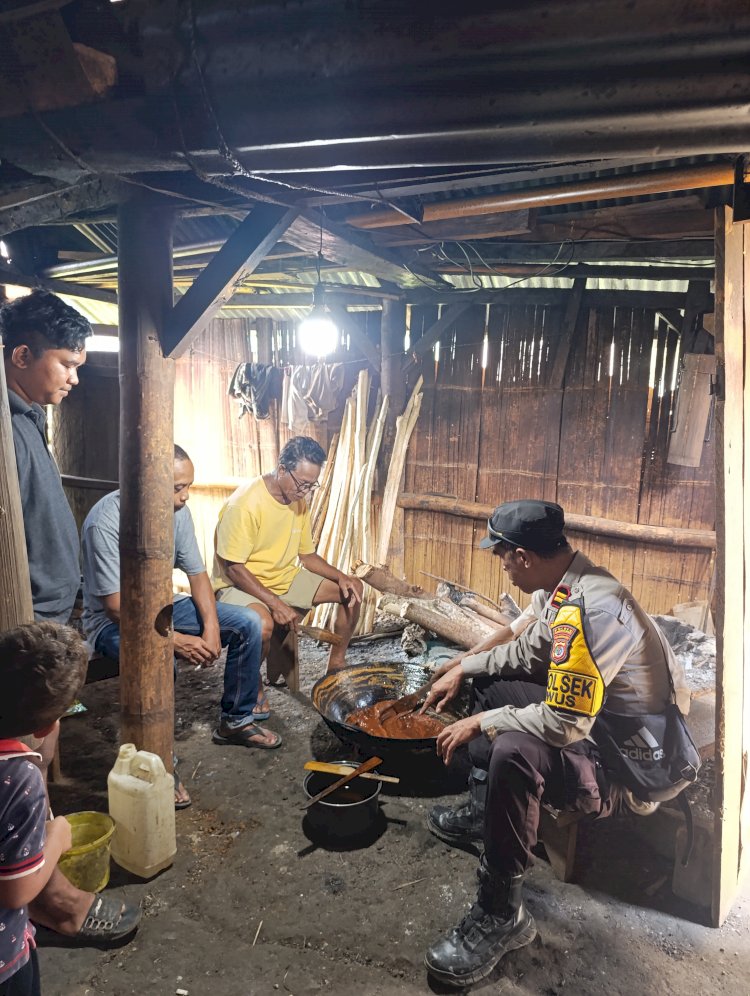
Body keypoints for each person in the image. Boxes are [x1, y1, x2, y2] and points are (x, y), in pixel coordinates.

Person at [419, 499, 690, 989]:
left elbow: (565, 724)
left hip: (622, 764)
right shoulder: (565, 584)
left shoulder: (590, 609)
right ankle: (489, 816)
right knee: (488, 683)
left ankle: (501, 912)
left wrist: (484, 722)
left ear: (522, 555)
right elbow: (527, 650)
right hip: (596, 727)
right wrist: (465, 667)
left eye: (502, 556)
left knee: (511, 748)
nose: (501, 566)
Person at [1, 290, 140, 946]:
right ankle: (44, 897)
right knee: (22, 756)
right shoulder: (3, 423)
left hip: (49, 611)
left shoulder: (25, 416)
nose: (76, 377)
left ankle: (33, 871)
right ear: (22, 355)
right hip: (22, 620)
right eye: (65, 363)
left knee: (38, 748)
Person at [81, 445, 280, 773]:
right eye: (178, 488)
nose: (186, 495)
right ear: (146, 484)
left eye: (188, 485)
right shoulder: (105, 522)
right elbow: (116, 607)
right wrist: (174, 641)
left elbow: (198, 574)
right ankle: (158, 763)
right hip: (112, 624)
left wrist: (212, 626)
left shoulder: (177, 513)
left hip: (166, 607)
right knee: (160, 659)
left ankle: (237, 720)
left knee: (249, 623)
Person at [0, 621, 139, 996]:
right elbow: (15, 891)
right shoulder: (16, 779)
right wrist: (56, 839)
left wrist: (41, 761)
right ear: (46, 727)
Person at [211, 435, 363, 673]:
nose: (305, 491)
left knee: (352, 589)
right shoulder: (244, 505)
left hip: (282, 578)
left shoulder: (297, 500)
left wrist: (341, 576)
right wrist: (275, 603)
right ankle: (253, 685)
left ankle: (336, 664)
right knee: (261, 624)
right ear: (282, 469)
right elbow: (234, 569)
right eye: (302, 483)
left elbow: (307, 556)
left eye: (311, 485)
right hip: (238, 585)